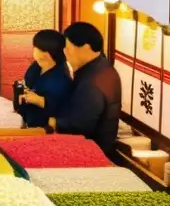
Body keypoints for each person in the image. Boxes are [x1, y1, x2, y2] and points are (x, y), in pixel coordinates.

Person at [48, 22, 122, 154]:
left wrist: (53, 122)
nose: (65, 54)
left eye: (68, 49)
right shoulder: (102, 67)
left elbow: (79, 126)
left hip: (91, 152)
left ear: (86, 47)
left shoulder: (93, 82)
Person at [19, 29, 73, 128]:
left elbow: (64, 110)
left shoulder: (61, 79)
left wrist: (40, 101)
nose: (33, 49)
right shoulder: (35, 67)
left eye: (35, 47)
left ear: (45, 54)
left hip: (46, 130)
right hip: (28, 122)